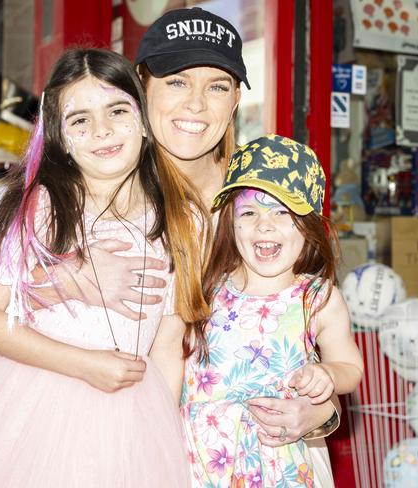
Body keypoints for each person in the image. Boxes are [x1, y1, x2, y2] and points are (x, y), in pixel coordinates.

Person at [0, 47, 207, 487]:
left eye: (117, 110)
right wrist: (83, 359)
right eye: (79, 120)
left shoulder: (181, 217)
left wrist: (167, 436)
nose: (102, 131)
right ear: (61, 137)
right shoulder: (37, 205)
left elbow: (167, 339)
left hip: (132, 411)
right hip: (29, 402)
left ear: (143, 118)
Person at [134, 6, 343, 474]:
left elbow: (300, 330)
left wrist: (318, 412)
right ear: (141, 85)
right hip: (134, 442)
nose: (196, 104)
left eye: (217, 86)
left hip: (264, 461)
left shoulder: (259, 195)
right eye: (177, 81)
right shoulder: (110, 193)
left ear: (235, 101)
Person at [181, 134, 364, 486]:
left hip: (279, 467)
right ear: (230, 224)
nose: (265, 224)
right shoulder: (207, 287)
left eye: (282, 211)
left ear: (311, 228)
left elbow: (351, 367)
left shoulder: (318, 298)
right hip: (202, 462)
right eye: (249, 212)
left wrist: (328, 374)